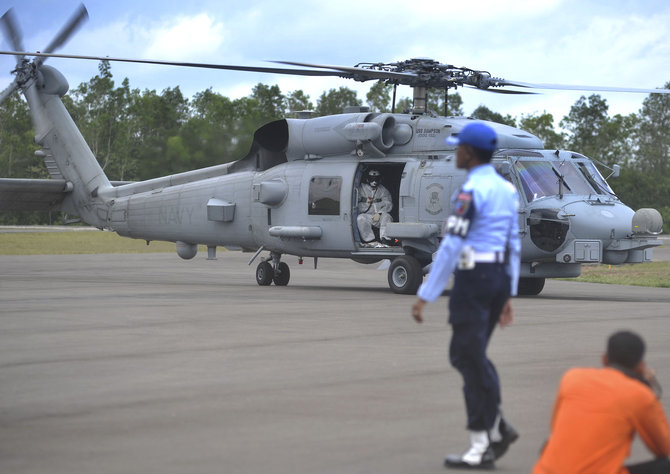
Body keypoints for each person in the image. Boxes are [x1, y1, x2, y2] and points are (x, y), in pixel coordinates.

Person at [410, 122, 521, 470]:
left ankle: (482, 441)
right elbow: (513, 243)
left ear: (469, 153)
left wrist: (426, 293)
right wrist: (509, 292)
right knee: (472, 355)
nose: (454, 152)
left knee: (466, 355)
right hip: (497, 277)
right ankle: (496, 425)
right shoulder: (506, 189)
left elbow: (452, 244)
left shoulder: (471, 191)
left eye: (457, 147)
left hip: (474, 279)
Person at [533, 330, 670, 474]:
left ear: (604, 359)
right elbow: (663, 448)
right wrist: (648, 388)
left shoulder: (572, 378)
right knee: (664, 467)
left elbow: (555, 428)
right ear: (640, 366)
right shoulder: (639, 394)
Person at [357, 168, 393, 247]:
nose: (374, 181)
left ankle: (385, 240)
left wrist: (380, 213)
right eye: (372, 179)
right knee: (360, 218)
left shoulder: (383, 190)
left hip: (378, 215)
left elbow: (389, 203)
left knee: (387, 216)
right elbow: (355, 201)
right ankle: (370, 241)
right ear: (367, 179)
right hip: (367, 215)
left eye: (376, 179)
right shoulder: (361, 189)